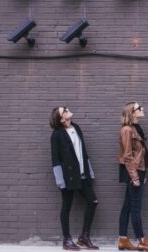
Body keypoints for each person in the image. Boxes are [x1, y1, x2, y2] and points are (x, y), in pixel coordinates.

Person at [50, 106, 99, 250]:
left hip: (83, 175)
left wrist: (89, 171)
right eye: (64, 110)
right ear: (61, 119)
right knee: (66, 207)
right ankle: (66, 240)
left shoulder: (76, 127)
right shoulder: (56, 135)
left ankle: (84, 236)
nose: (67, 109)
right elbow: (55, 159)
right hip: (68, 177)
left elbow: (83, 151)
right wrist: (60, 180)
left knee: (93, 201)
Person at [117, 102, 148, 252]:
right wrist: (135, 177)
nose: (143, 109)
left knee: (128, 206)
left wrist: (143, 174)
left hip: (137, 171)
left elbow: (140, 155)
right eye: (139, 108)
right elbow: (127, 156)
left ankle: (122, 239)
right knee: (136, 208)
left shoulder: (135, 128)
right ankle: (141, 240)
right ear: (132, 112)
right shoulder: (127, 130)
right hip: (132, 172)